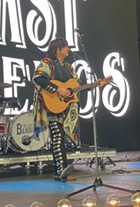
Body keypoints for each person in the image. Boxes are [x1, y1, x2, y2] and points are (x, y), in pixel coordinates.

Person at [31, 37, 108, 182]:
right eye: (65, 47)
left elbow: (76, 88)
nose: (68, 50)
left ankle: (60, 171)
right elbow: (38, 78)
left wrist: (95, 84)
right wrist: (58, 89)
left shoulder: (69, 67)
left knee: (61, 139)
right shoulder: (47, 63)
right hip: (51, 106)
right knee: (57, 137)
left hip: (64, 109)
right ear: (58, 49)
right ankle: (61, 171)